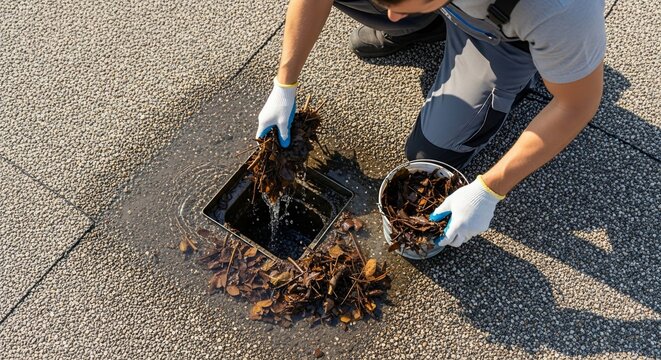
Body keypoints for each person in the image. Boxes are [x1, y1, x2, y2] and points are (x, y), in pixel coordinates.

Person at [255, 0, 606, 248]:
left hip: (499, 37)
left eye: (401, 5)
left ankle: (523, 75)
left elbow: (577, 105)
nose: (389, 15)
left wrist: (490, 189)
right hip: (451, 7)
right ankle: (426, 23)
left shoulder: (559, 10)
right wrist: (284, 84)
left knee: (428, 154)